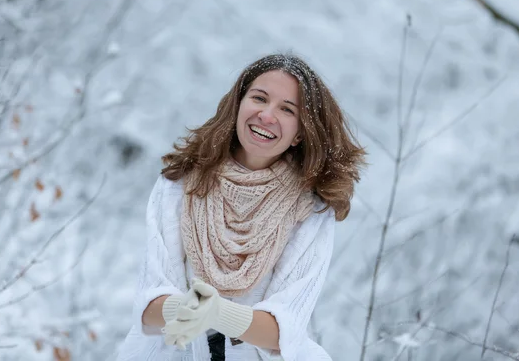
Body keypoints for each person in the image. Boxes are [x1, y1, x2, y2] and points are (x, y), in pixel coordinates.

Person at [115, 53, 366, 361]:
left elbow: (284, 330)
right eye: (259, 98)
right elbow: (147, 307)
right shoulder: (177, 186)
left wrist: (215, 313)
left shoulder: (311, 209)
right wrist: (185, 309)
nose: (266, 115)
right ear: (238, 105)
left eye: (287, 109)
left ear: (300, 132)